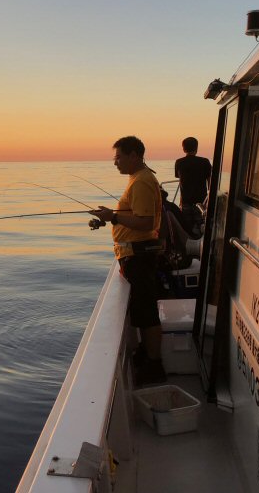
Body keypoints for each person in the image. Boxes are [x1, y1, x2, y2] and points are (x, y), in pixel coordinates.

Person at [89, 136, 168, 386]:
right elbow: (134, 216)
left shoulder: (142, 181)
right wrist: (109, 218)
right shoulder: (139, 179)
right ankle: (147, 356)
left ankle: (154, 366)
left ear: (134, 155)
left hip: (139, 256)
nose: (115, 162)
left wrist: (114, 216)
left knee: (147, 313)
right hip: (134, 255)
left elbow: (145, 222)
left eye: (118, 157)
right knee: (142, 311)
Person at [174, 137, 212, 237]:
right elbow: (210, 182)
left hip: (186, 202)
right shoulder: (205, 162)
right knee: (202, 228)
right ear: (196, 148)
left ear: (183, 149)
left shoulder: (179, 162)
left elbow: (180, 180)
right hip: (201, 203)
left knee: (187, 228)